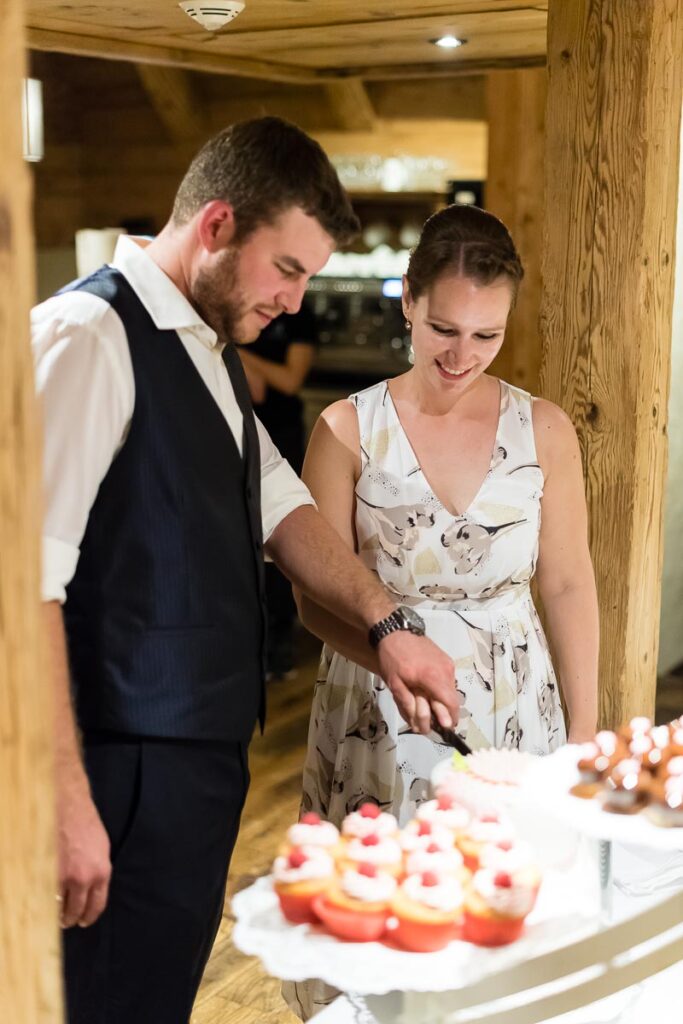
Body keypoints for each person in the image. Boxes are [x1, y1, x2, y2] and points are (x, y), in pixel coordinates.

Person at [33, 117, 460, 1024]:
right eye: (289, 269)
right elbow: (23, 586)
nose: (297, 301)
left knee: (152, 997)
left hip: (194, 758)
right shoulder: (87, 336)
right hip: (114, 767)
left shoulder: (206, 346)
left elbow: (282, 510)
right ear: (217, 225)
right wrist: (60, 799)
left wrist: (388, 628)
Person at [285, 203, 599, 1020]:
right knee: (386, 944)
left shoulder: (545, 431)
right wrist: (389, 666)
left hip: (513, 709)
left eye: (486, 336)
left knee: (501, 942)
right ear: (408, 305)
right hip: (380, 712)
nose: (462, 355)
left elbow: (566, 585)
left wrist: (585, 742)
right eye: (443, 329)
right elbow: (314, 600)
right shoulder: (346, 428)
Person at [238, 302, 318, 678]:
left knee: (283, 538)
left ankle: (279, 649)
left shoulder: (296, 314)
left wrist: (233, 352)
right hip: (240, 433)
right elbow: (256, 388)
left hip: (282, 437)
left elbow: (288, 380)